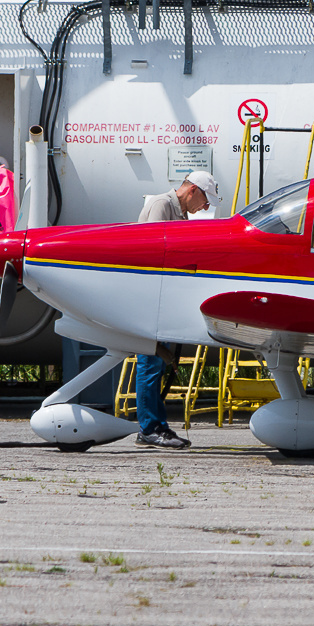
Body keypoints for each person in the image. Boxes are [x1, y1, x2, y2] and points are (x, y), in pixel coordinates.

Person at [134, 171, 222, 450]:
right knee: (150, 364)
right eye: (206, 201)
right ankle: (149, 428)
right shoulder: (162, 205)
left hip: (164, 299)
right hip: (152, 299)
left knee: (159, 364)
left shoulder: (178, 213)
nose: (205, 208)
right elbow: (154, 252)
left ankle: (155, 426)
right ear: (193, 190)